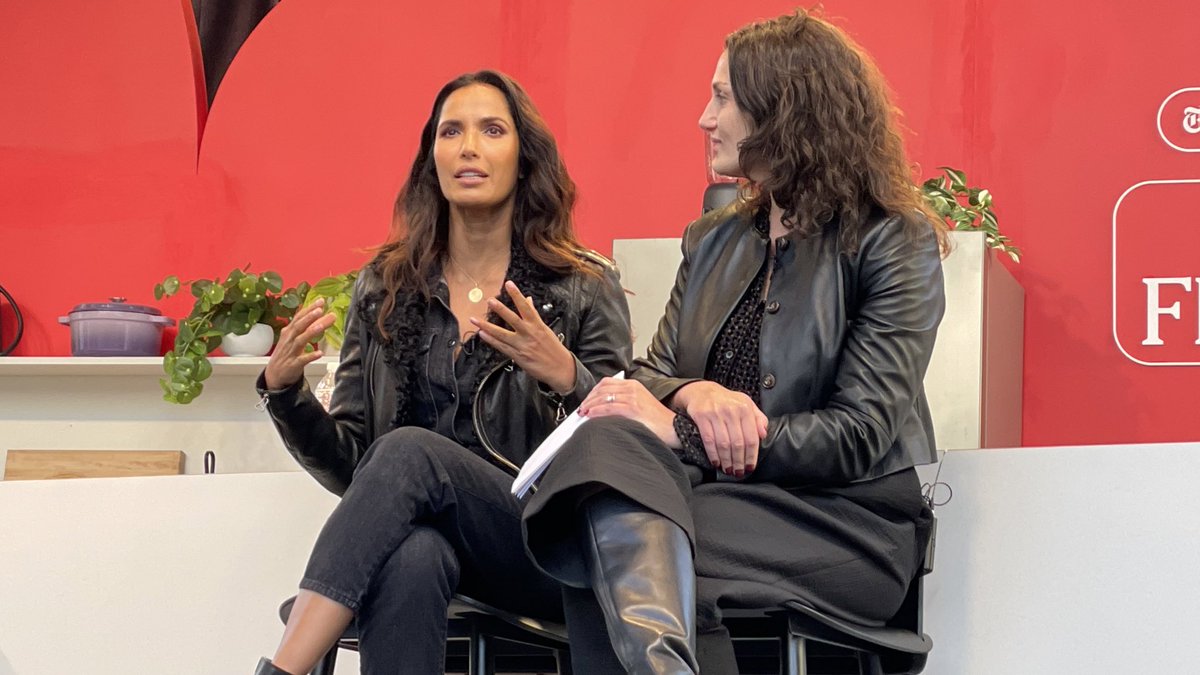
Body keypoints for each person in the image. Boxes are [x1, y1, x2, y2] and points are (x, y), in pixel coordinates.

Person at [520, 9, 948, 674]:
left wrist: (686, 434)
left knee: (620, 541)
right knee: (620, 523)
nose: (703, 117)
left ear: (783, 108)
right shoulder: (711, 239)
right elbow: (650, 376)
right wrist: (695, 392)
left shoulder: (893, 240)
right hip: (715, 505)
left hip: (846, 524)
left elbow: (858, 434)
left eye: (722, 97)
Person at [252, 70, 632, 675]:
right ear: (433, 158)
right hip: (435, 542)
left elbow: (624, 454)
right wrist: (285, 395)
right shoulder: (385, 286)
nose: (469, 147)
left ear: (524, 158)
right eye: (451, 131)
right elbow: (354, 466)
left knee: (410, 452)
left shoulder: (583, 285)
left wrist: (568, 377)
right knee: (412, 557)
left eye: (492, 130)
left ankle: (283, 669)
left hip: (542, 546)